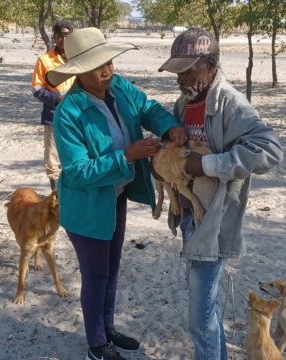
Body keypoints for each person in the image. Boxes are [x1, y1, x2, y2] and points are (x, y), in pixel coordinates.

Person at [45, 27, 186, 360]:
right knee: (95, 275)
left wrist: (169, 126)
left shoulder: (119, 87)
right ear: (79, 71)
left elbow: (148, 107)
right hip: (87, 205)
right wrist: (127, 156)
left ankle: (106, 328)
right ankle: (96, 344)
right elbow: (78, 172)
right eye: (98, 66)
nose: (107, 71)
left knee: (111, 268)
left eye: (109, 62)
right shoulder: (69, 112)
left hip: (114, 196)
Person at [156, 27, 283, 359]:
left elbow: (270, 150)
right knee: (205, 308)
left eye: (187, 70)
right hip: (189, 216)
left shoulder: (230, 104)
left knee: (200, 318)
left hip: (213, 223)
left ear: (209, 64)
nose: (180, 78)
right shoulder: (183, 104)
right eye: (177, 71)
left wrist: (208, 164)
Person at [31, 21, 75, 190]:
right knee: (53, 156)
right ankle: (56, 194)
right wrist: (56, 98)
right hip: (53, 115)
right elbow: (36, 89)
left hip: (77, 115)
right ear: (55, 38)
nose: (63, 40)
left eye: (67, 37)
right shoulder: (44, 60)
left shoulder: (79, 59)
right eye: (59, 37)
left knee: (75, 152)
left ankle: (73, 190)